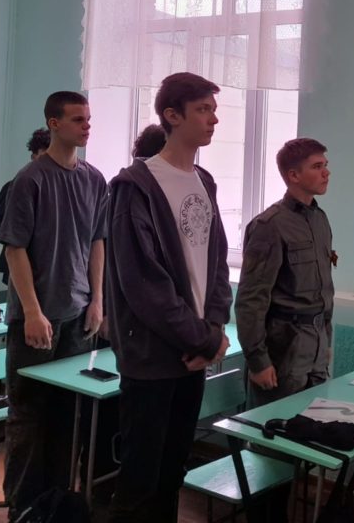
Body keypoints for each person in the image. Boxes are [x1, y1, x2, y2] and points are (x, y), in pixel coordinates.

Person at [106, 72, 231, 523]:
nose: (213, 119)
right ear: (172, 116)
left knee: (172, 473)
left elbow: (216, 265)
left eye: (214, 110)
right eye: (203, 110)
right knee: (140, 482)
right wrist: (204, 339)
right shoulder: (135, 187)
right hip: (153, 357)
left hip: (193, 355)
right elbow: (144, 285)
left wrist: (213, 330)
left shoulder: (204, 181)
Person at [0, 92, 107, 521]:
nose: (86, 126)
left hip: (78, 318)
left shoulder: (94, 179)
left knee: (67, 416)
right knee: (29, 418)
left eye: (89, 119)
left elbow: (97, 242)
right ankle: (23, 509)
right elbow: (15, 249)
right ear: (54, 123)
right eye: (78, 119)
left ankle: (57, 507)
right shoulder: (30, 179)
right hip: (36, 321)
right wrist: (33, 311)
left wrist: (97, 300)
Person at [236, 137, 335, 406]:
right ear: (293, 175)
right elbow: (250, 300)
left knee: (311, 422)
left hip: (315, 346)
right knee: (275, 424)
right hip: (283, 349)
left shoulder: (319, 220)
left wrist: (326, 341)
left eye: (325, 165)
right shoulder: (270, 225)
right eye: (317, 166)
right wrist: (258, 361)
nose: (326, 173)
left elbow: (325, 290)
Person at [0, 128, 51, 285]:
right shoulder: (13, 186)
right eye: (44, 156)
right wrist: (20, 235)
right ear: (34, 156)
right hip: (18, 266)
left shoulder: (59, 190)